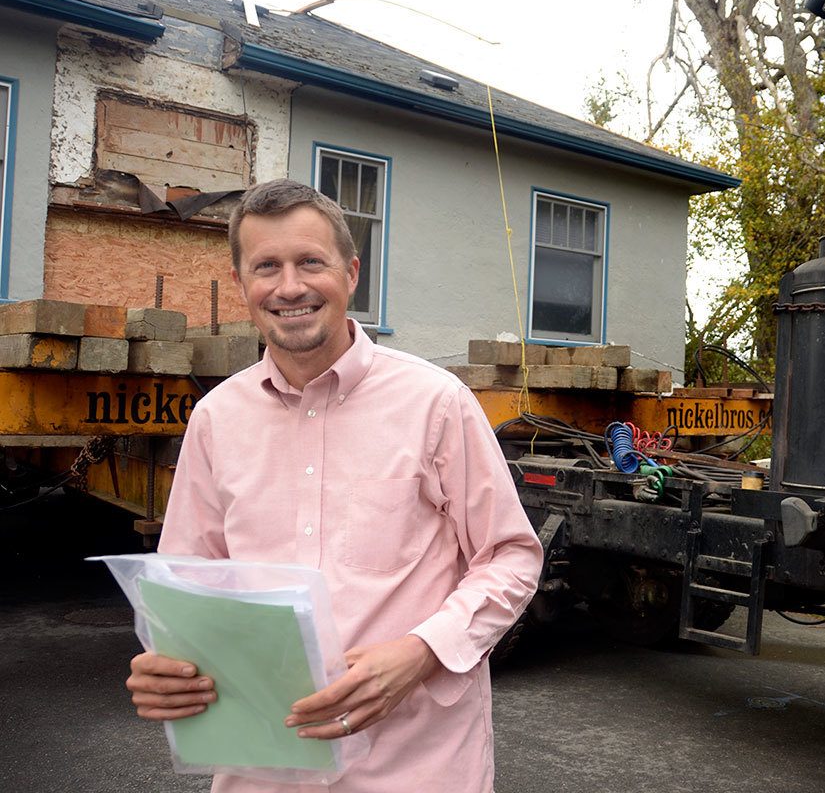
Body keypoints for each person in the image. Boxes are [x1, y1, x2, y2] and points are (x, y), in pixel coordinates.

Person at [124, 178, 544, 792]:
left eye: (310, 263)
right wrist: (166, 667)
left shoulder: (436, 404)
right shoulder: (216, 420)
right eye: (266, 266)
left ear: (350, 274)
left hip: (414, 766)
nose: (289, 286)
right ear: (241, 285)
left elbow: (510, 556)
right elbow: (191, 583)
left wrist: (421, 651)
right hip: (263, 765)